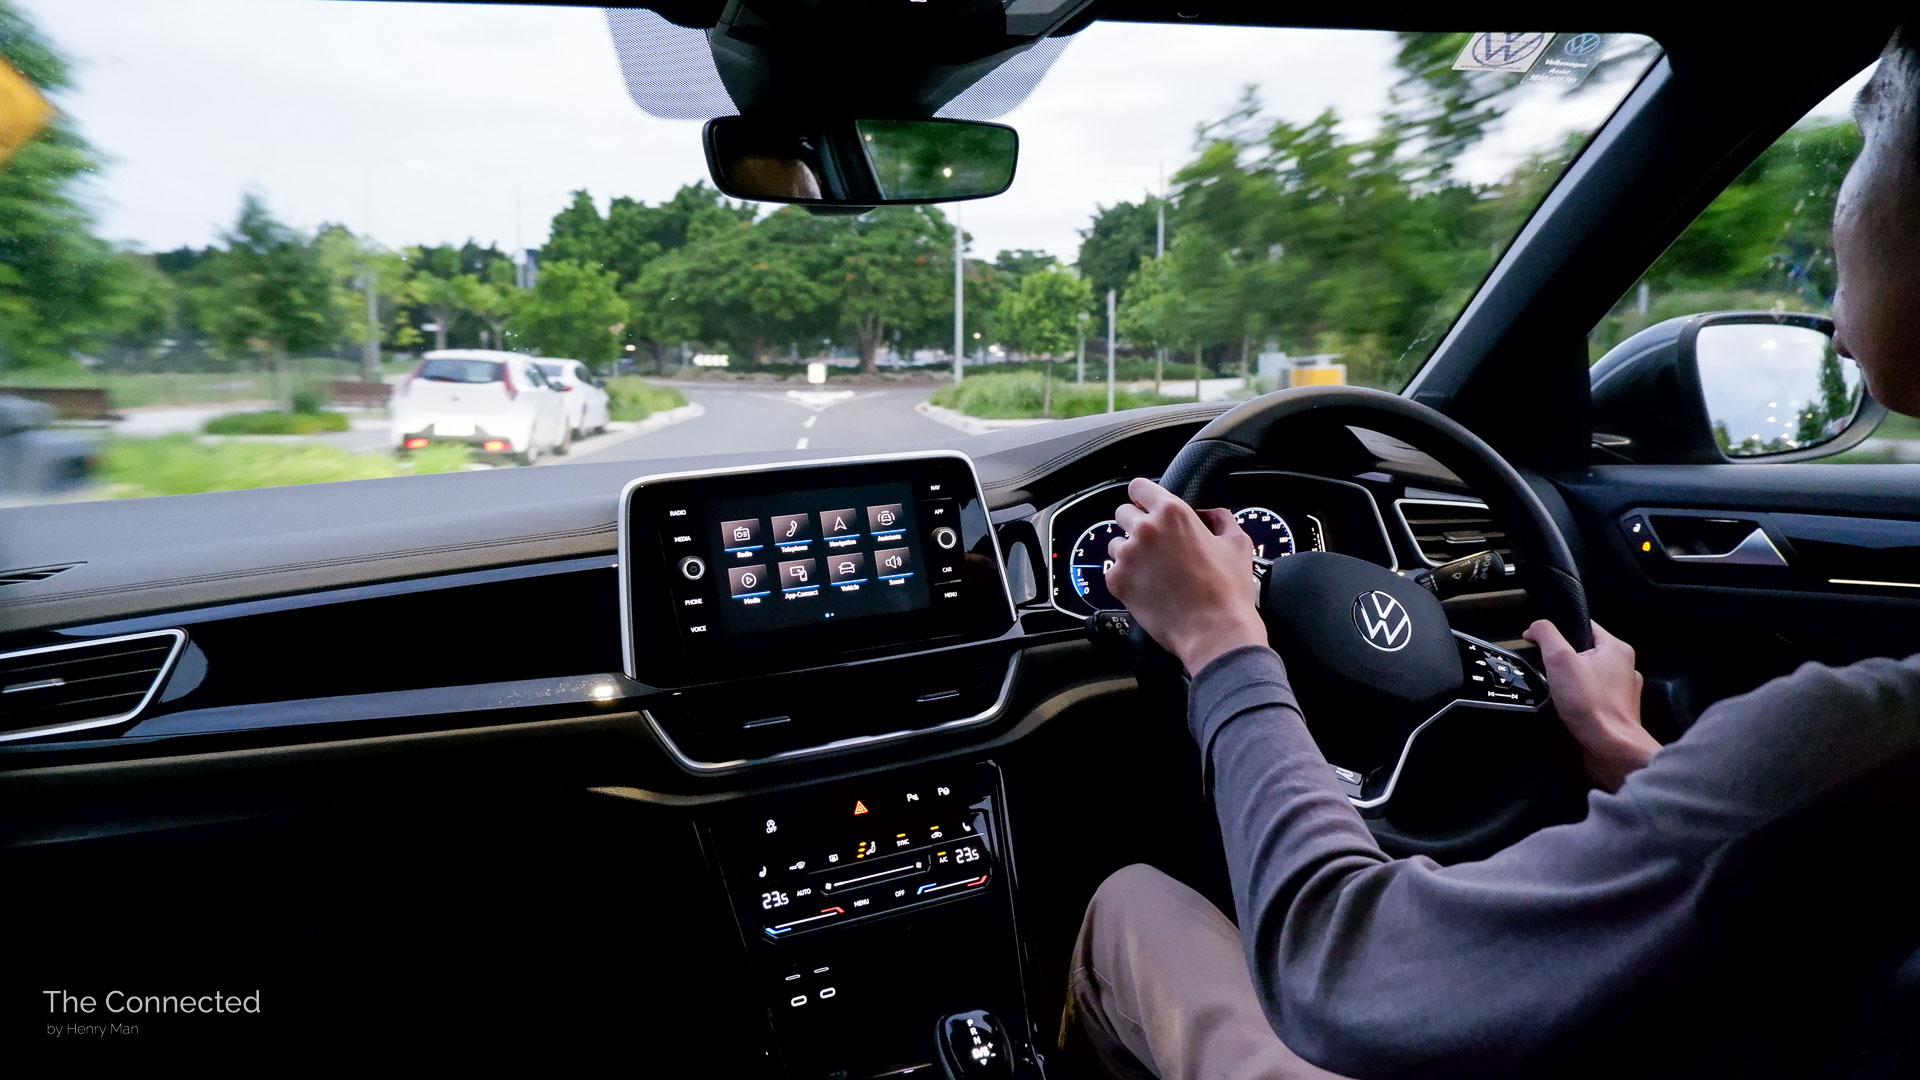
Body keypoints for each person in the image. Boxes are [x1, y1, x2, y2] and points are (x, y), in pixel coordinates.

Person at [1061, 25, 1920, 1080]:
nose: (1841, 196)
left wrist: (1220, 638)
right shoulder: (1854, 751)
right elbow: (1814, 890)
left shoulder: (1854, 732)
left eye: (1871, 134)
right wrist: (1625, 746)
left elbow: (1346, 968)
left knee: (1128, 904)